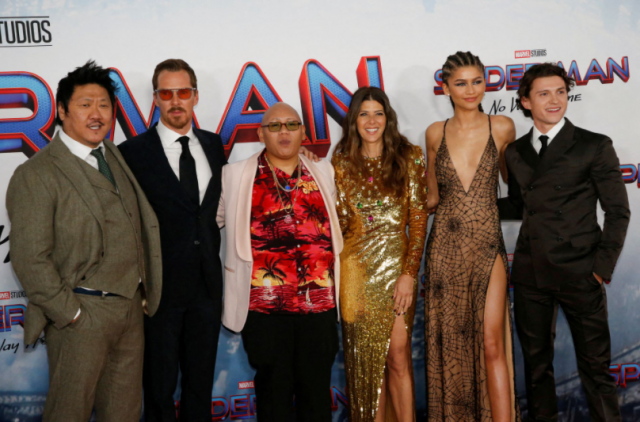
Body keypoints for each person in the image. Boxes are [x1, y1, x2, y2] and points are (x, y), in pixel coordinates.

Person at [6, 60, 162, 422]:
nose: (97, 114)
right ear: (62, 111)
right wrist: (73, 315)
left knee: (124, 412)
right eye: (85, 104)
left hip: (129, 311)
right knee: (69, 413)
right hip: (80, 315)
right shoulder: (36, 174)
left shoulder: (113, 155)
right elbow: (30, 258)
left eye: (104, 105)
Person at [498, 63, 630, 421]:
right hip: (531, 273)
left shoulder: (594, 145)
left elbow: (618, 212)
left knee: (596, 370)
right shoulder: (515, 151)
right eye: (544, 94)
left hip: (581, 271)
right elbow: (519, 205)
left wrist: (600, 269)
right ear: (526, 102)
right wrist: (468, 206)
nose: (555, 100)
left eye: (560, 92)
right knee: (537, 370)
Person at [217, 102, 342, 422]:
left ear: (303, 132)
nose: (283, 132)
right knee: (274, 399)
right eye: (274, 126)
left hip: (319, 308)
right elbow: (211, 222)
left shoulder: (324, 171)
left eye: (291, 125)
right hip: (265, 311)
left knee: (317, 398)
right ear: (261, 134)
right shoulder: (235, 175)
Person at [118, 59, 227, 422]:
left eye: (183, 92)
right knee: (158, 391)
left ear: (195, 96)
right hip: (158, 291)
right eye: (167, 94)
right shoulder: (132, 153)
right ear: (155, 99)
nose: (176, 101)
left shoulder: (214, 144)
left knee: (200, 387)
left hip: (207, 288)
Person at [424, 51, 521, 421]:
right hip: (444, 249)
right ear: (446, 88)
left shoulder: (503, 126)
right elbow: (431, 198)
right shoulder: (435, 133)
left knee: (491, 342)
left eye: (477, 81)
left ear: (486, 83)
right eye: (461, 83)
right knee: (450, 346)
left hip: (486, 244)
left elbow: (514, 184)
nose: (470, 90)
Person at [332, 86, 428, 422]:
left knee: (398, 357)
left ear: (388, 118)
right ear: (354, 120)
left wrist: (409, 274)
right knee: (365, 365)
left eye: (378, 113)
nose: (371, 121)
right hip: (355, 272)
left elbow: (419, 221)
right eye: (364, 114)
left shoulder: (409, 156)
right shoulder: (341, 162)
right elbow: (340, 223)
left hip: (397, 269)